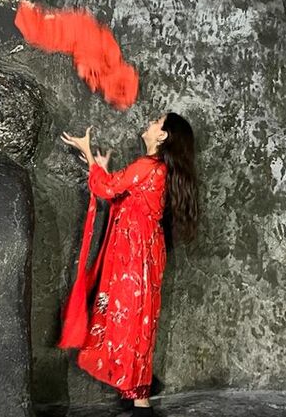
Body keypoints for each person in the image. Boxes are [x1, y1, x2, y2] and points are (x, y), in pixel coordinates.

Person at [60, 112, 199, 416]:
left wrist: (87, 152)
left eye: (156, 122)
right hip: (138, 255)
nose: (149, 124)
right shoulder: (153, 170)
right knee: (133, 319)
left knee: (132, 321)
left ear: (162, 136)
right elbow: (121, 195)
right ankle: (136, 384)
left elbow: (108, 190)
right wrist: (101, 169)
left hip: (135, 258)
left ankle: (141, 398)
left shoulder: (147, 166)